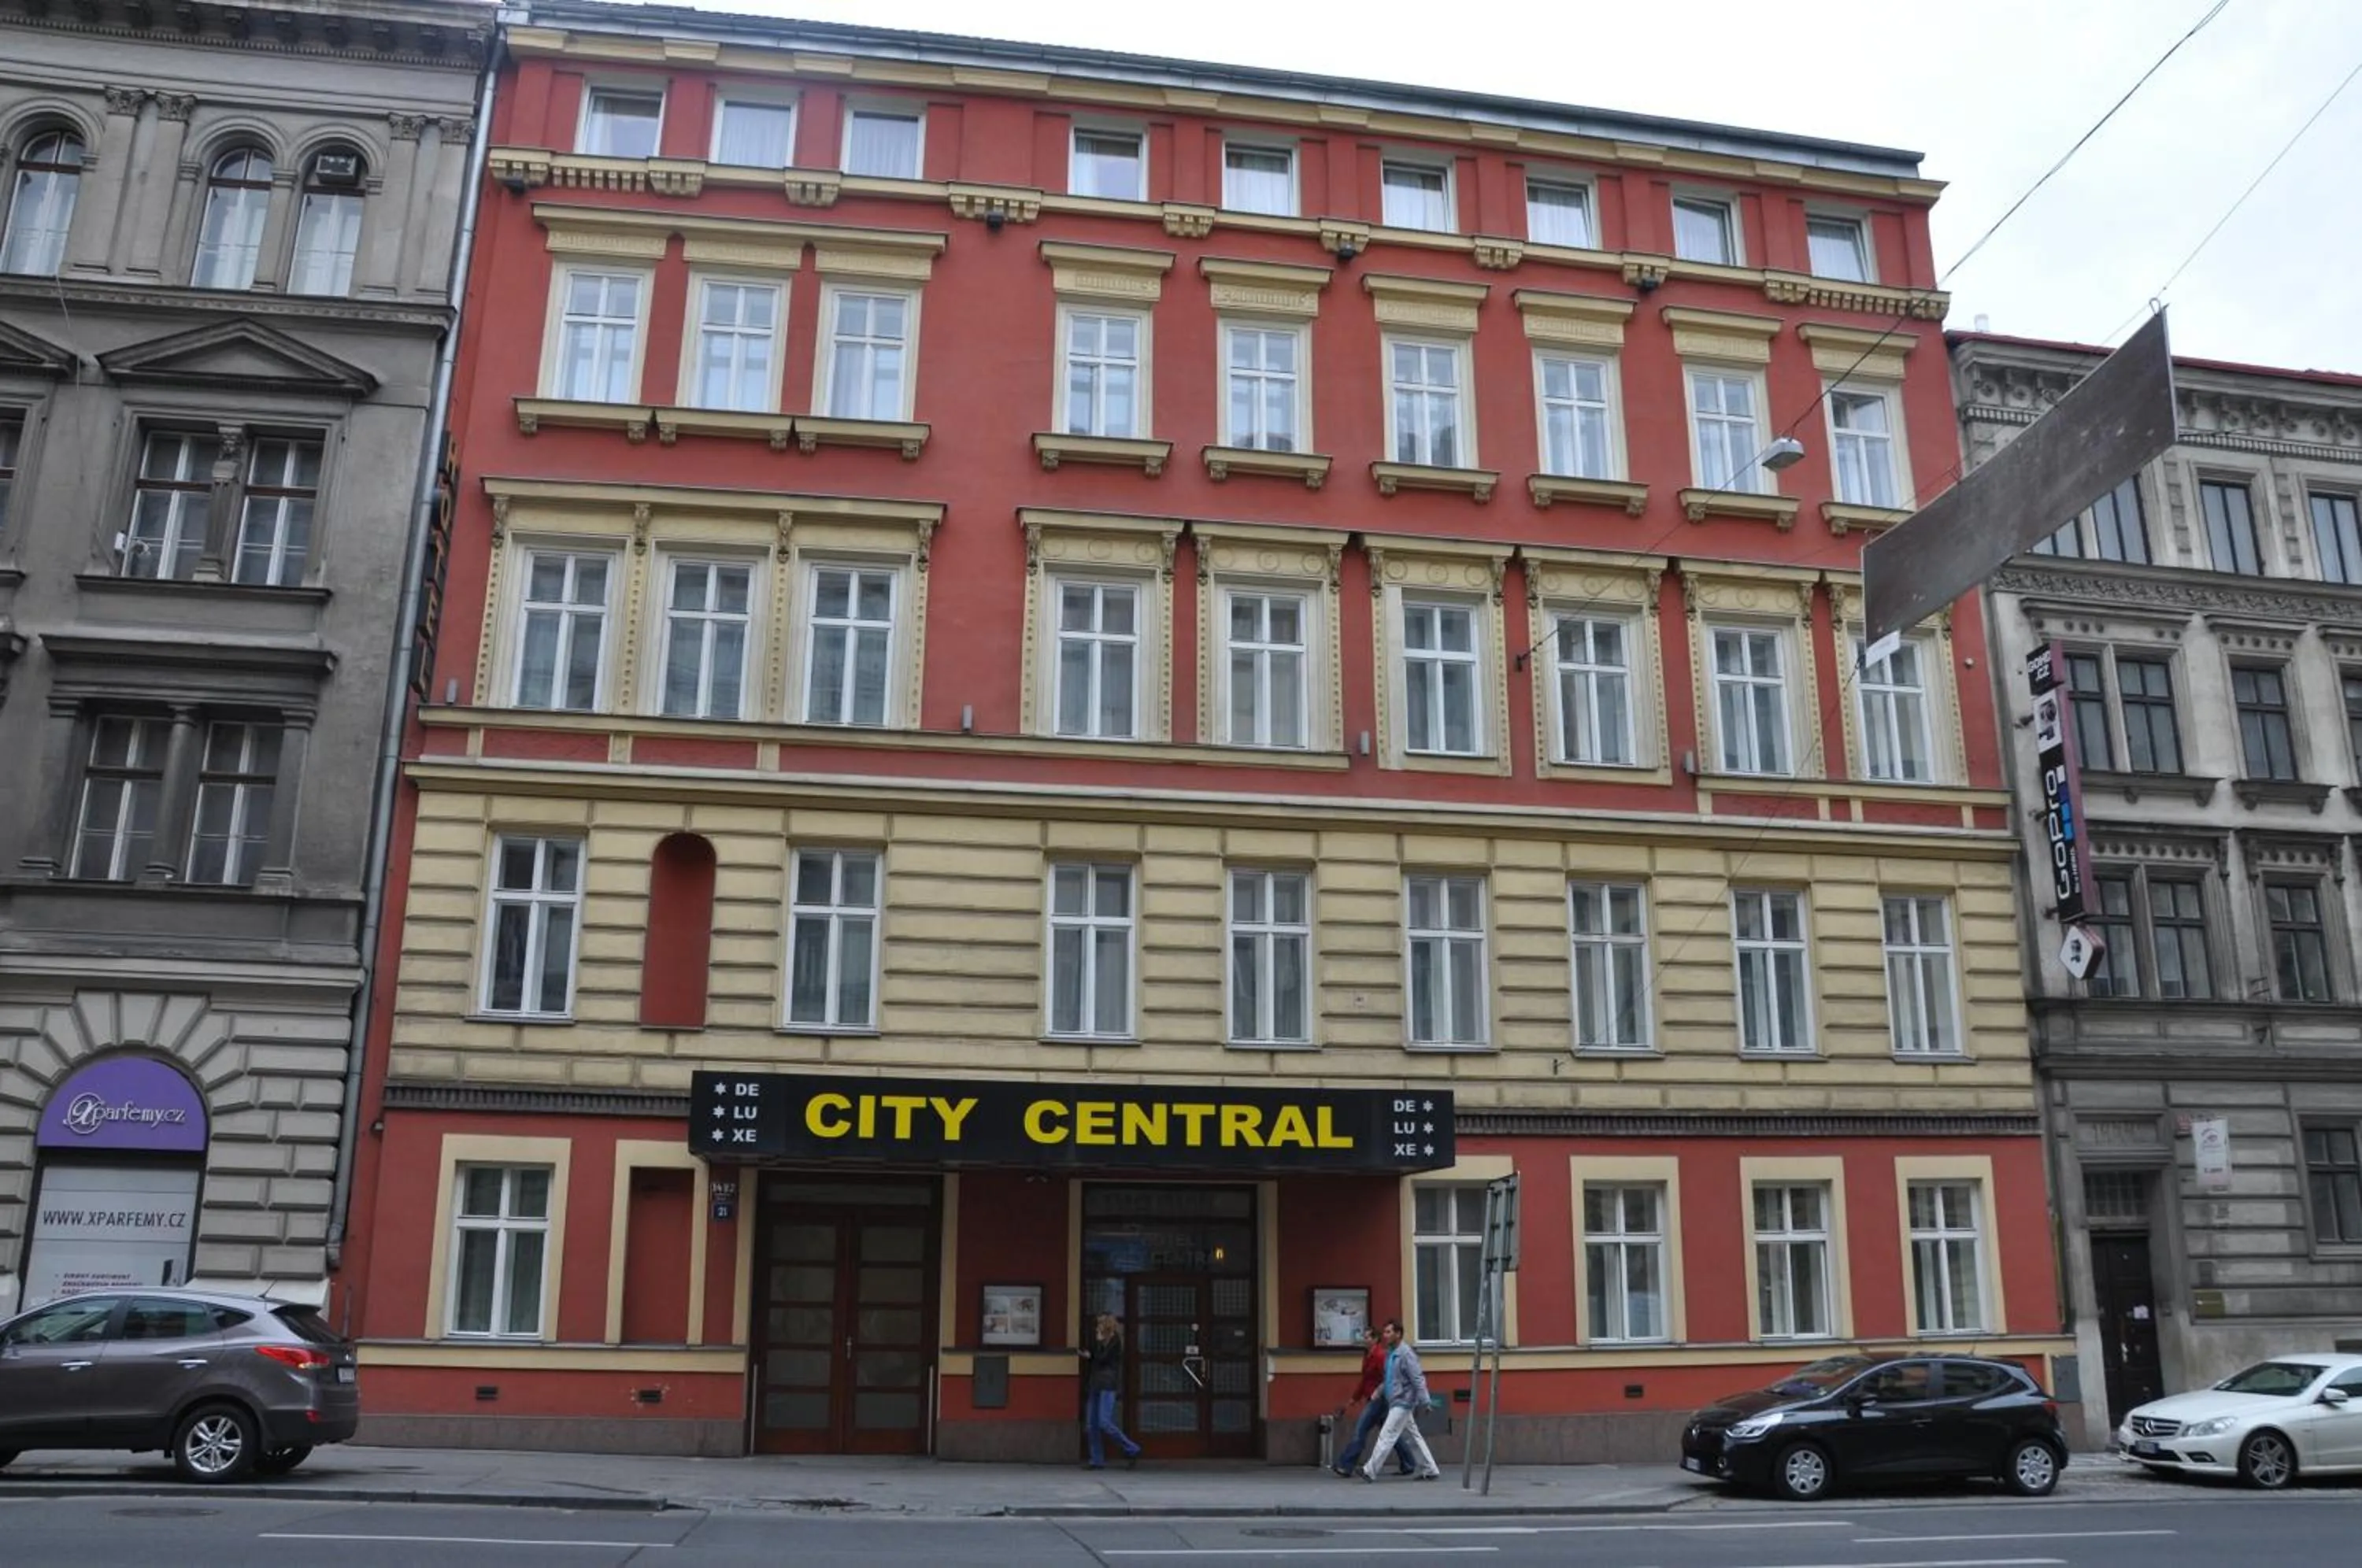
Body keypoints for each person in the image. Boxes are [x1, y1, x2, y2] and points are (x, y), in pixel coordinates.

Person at [1360, 1318, 1442, 1481]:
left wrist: (1425, 1401)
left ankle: (1369, 1471)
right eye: (1385, 1332)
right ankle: (1430, 1469)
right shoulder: (1391, 1354)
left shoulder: (1406, 1354)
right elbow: (1390, 1378)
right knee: (1412, 1437)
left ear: (1398, 1334)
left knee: (1387, 1434)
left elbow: (1417, 1379)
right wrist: (1378, 1391)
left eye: (1388, 1332)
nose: (1385, 1335)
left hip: (1403, 1402)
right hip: (1396, 1400)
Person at [1333, 1324, 1415, 1478]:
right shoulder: (1368, 1355)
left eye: (1367, 1337)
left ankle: (1346, 1465)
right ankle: (1408, 1463)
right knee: (1390, 1433)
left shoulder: (1380, 1356)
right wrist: (1353, 1399)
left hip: (1379, 1400)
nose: (1364, 1340)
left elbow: (1389, 1377)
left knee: (1360, 1431)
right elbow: (1364, 1380)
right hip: (1373, 1398)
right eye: (1364, 1337)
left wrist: (1382, 1394)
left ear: (1375, 1339)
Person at [1079, 1312, 1142, 1470]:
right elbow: (1093, 1356)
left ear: (1107, 1326)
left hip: (1108, 1384)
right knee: (1092, 1424)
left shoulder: (1115, 1342)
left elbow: (1102, 1358)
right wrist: (1090, 1353)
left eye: (1100, 1325)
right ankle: (1096, 1460)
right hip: (1095, 1383)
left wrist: (1096, 1347)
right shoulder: (1097, 1341)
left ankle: (1132, 1448)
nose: (1097, 1328)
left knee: (1104, 1422)